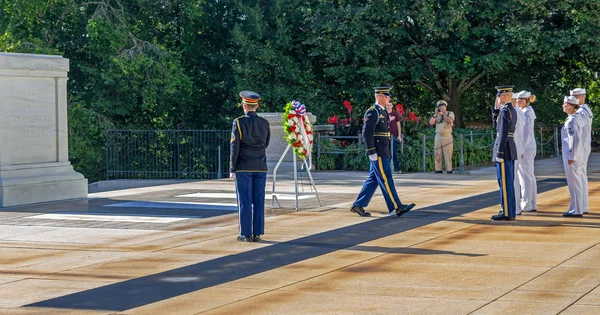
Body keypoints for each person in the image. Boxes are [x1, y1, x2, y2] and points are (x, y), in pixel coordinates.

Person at [350, 86, 416, 217]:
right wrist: (371, 151)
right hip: (378, 152)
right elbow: (367, 133)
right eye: (387, 96)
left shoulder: (383, 111)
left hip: (384, 150)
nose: (389, 98)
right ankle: (398, 207)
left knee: (373, 179)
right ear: (379, 96)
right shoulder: (373, 112)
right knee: (386, 178)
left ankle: (358, 205)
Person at [230, 90, 271, 242]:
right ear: (256, 105)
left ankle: (246, 233)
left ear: (244, 106)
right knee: (259, 200)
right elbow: (266, 143)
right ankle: (257, 233)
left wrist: (232, 168)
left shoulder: (239, 122)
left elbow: (235, 147)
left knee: (245, 201)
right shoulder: (264, 123)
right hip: (260, 166)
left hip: (243, 167)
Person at [491, 86, 518, 221]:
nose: (498, 98)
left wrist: (499, 153)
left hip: (504, 149)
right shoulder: (509, 109)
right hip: (510, 147)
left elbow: (502, 133)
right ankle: (509, 210)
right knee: (507, 182)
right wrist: (495, 110)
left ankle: (506, 211)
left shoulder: (505, 111)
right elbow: (497, 127)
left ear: (506, 96)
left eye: (500, 95)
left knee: (505, 183)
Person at [561, 96, 585, 217]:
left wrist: (572, 156)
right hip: (577, 154)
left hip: (572, 156)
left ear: (570, 105)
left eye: (565, 104)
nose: (563, 106)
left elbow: (575, 139)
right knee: (576, 183)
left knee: (574, 183)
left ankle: (576, 210)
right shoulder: (577, 118)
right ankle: (576, 207)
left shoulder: (572, 120)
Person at [570, 88, 593, 214]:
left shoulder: (581, 112)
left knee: (577, 177)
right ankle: (582, 206)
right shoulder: (586, 110)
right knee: (581, 176)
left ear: (578, 98)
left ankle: (577, 207)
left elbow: (579, 131)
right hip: (584, 145)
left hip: (580, 147)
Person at [515, 91, 538, 212]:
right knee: (528, 175)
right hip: (527, 147)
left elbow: (527, 133)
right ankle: (531, 203)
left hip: (526, 148)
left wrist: (522, 149)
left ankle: (527, 203)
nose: (517, 101)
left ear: (524, 100)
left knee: (525, 176)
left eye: (519, 99)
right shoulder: (526, 112)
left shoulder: (527, 113)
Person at [428, 100, 455, 174]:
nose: (441, 107)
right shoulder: (436, 115)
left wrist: (443, 114)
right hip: (438, 136)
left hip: (447, 136)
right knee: (437, 153)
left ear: (446, 107)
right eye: (440, 106)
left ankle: (449, 169)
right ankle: (438, 169)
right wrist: (435, 114)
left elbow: (450, 120)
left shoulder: (450, 113)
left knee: (448, 154)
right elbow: (431, 123)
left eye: (443, 106)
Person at [511, 91, 525, 215]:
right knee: (515, 178)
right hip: (517, 148)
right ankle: (516, 207)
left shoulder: (513, 112)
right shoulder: (519, 112)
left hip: (513, 149)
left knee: (512, 179)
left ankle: (514, 207)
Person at [386, 102, 402, 172]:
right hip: (385, 136)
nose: (389, 106)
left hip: (394, 136)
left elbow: (398, 126)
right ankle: (387, 169)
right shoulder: (384, 113)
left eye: (390, 105)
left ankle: (396, 168)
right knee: (386, 152)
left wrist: (399, 135)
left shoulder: (395, 114)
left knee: (394, 152)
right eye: (387, 105)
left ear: (392, 106)